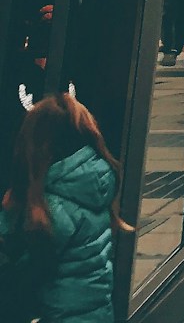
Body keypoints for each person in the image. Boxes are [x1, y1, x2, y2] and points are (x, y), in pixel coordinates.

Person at [0, 92, 129, 323]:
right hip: (96, 313)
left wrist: (8, 218)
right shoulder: (89, 183)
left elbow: (23, 271)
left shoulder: (55, 207)